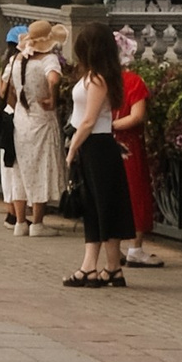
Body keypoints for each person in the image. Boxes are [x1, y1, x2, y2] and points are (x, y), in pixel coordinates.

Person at [63, 19, 133, 288]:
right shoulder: (93, 75)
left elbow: (89, 120)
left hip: (97, 145)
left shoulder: (98, 79)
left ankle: (101, 267)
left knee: (103, 206)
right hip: (93, 145)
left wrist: (73, 148)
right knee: (95, 206)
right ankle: (101, 267)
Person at [0, 21, 67, 238]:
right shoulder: (48, 60)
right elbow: (53, 79)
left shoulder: (16, 59)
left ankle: (20, 222)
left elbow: (5, 88)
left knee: (20, 169)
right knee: (40, 168)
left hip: (21, 119)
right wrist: (52, 99)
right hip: (42, 119)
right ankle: (37, 222)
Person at [110, 42, 163, 268]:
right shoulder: (133, 81)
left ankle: (113, 249)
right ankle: (135, 248)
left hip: (103, 143)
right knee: (136, 192)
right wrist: (115, 125)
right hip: (128, 144)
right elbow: (137, 116)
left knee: (111, 195)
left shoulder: (100, 81)